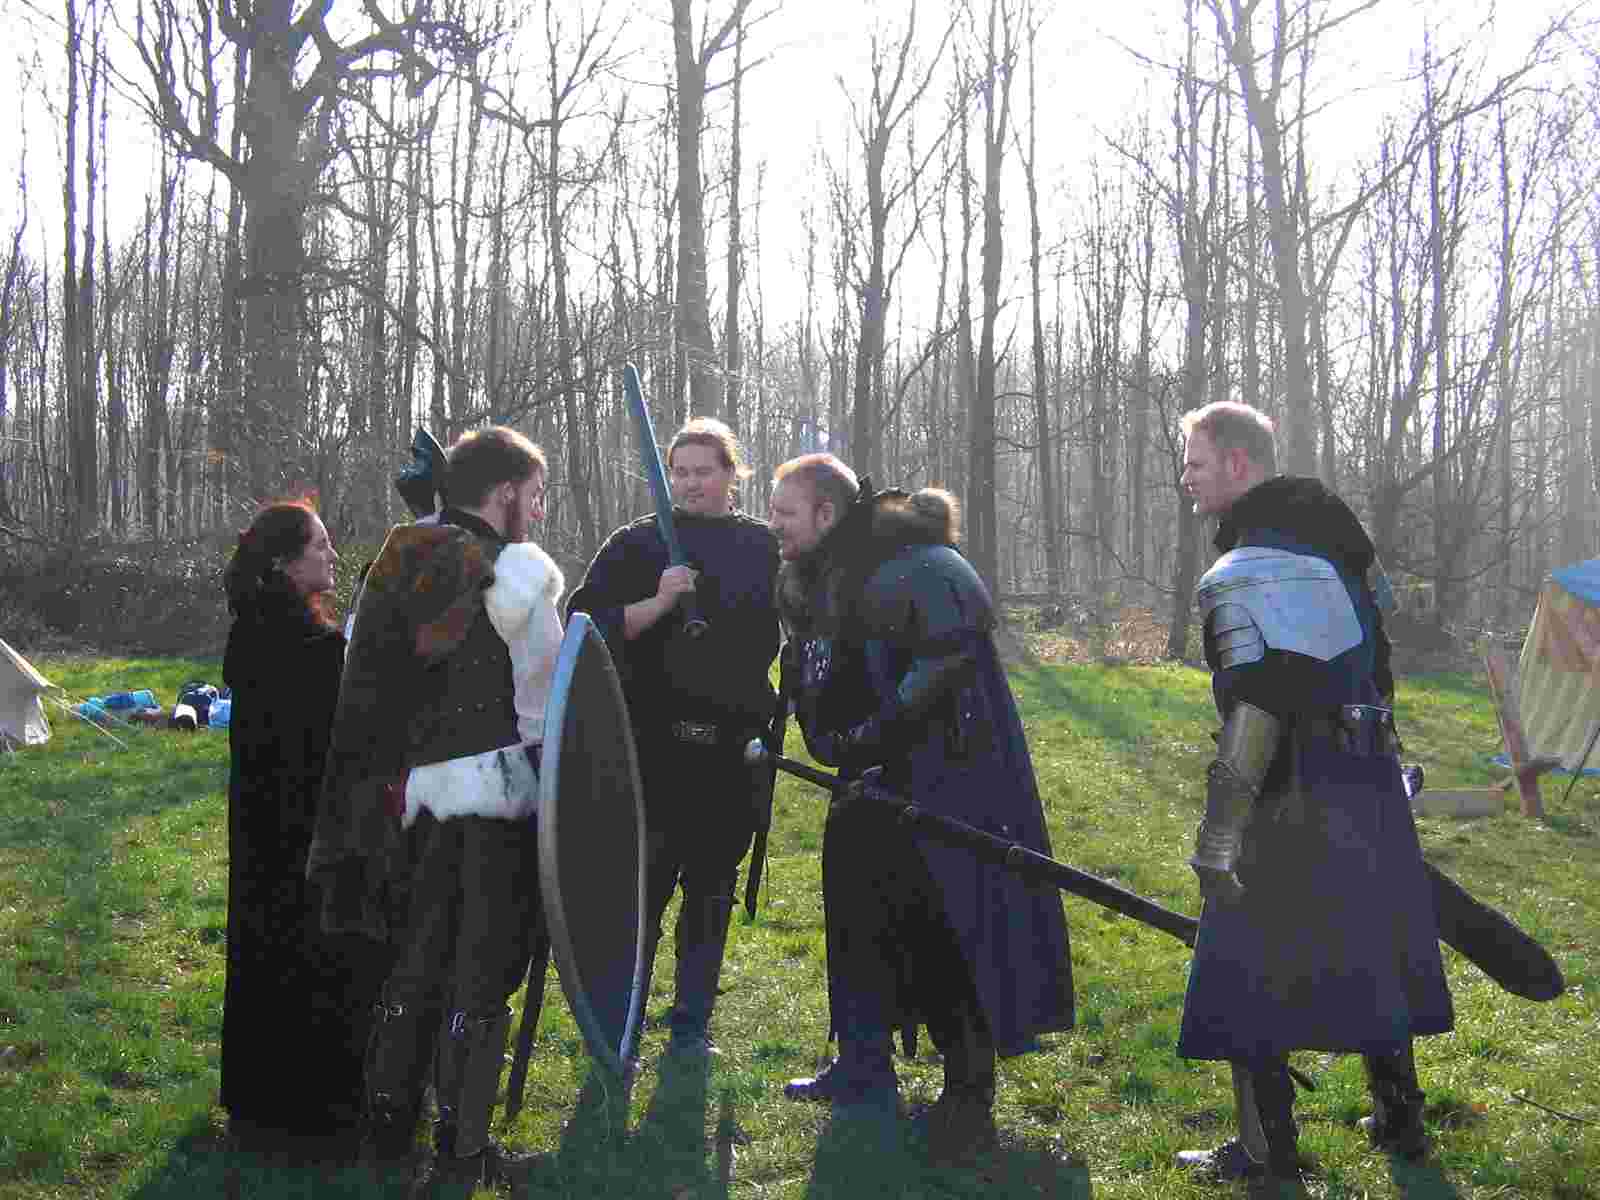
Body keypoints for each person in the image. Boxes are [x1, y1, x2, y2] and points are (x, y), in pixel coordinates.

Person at [1172, 402, 1454, 1197]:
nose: (1186, 477)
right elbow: (1378, 674)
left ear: (1238, 464)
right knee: (1375, 944)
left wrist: (1220, 835)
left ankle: (1267, 1156)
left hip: (1287, 791)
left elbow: (1256, 709)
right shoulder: (1343, 545)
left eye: (1195, 461)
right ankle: (1400, 1119)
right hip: (1365, 779)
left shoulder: (1246, 569)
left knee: (1245, 967)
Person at [767, 454, 1073, 1161]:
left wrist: (876, 736)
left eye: (784, 512)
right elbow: (819, 666)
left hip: (942, 783)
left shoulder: (920, 566)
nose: (773, 524)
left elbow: (942, 666)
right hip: (863, 783)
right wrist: (824, 727)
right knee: (857, 922)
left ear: (826, 513)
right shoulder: (813, 574)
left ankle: (968, 1091)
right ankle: (863, 1065)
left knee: (943, 931)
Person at [308, 427, 564, 1182]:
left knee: (415, 962)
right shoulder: (517, 573)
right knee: (480, 973)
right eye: (535, 496)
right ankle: (463, 1150)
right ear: (505, 492)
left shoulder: (399, 556)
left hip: (411, 798)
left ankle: (389, 1132)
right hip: (492, 801)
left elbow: (363, 672)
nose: (538, 512)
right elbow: (546, 711)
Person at [566, 417, 779, 1058]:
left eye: (702, 472)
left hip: (732, 749)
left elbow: (809, 614)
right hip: (649, 748)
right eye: (678, 472)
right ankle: (622, 1019)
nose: (689, 483)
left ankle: (691, 1024)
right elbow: (584, 626)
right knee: (643, 889)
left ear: (732, 474)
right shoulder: (636, 544)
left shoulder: (763, 547)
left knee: (711, 888)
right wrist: (658, 603)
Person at [220, 499, 389, 1154]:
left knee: (270, 954)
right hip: (294, 828)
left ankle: (263, 1102)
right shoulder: (288, 640)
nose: (332, 554)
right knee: (304, 956)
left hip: (270, 825)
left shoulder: (269, 628)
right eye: (320, 545)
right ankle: (306, 1112)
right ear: (287, 563)